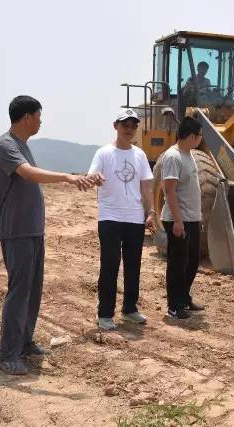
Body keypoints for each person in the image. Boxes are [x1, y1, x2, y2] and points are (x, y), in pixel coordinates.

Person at [0, 95, 95, 375]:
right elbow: (28, 173)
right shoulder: (5, 145)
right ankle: (7, 355)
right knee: (19, 291)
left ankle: (24, 343)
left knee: (33, 290)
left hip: (33, 230)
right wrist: (67, 177)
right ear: (27, 117)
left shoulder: (23, 145)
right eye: (39, 115)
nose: (41, 121)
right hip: (17, 230)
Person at [87, 108, 155, 330]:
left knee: (133, 265)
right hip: (110, 217)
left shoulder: (140, 155)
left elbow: (146, 184)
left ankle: (130, 309)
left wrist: (151, 212)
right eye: (125, 124)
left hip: (134, 218)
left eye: (134, 125)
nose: (130, 129)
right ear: (115, 126)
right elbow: (92, 175)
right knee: (110, 264)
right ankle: (105, 313)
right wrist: (95, 177)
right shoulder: (103, 153)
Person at [160, 117, 206, 319]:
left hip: (192, 218)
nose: (200, 139)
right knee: (178, 263)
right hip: (178, 219)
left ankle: (184, 298)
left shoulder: (189, 155)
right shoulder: (173, 157)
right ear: (191, 136)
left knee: (192, 261)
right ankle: (174, 306)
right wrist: (178, 221)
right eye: (199, 135)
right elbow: (169, 191)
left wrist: (198, 216)